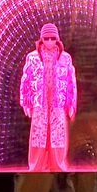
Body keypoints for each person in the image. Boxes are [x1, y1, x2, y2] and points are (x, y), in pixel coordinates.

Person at [19, 22, 77, 172]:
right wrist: (26, 102)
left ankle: (58, 164)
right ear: (41, 39)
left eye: (52, 38)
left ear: (57, 39)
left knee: (58, 133)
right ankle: (36, 165)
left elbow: (71, 81)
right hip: (40, 100)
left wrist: (71, 103)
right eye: (46, 38)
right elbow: (26, 79)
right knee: (38, 132)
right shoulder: (32, 57)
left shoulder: (65, 58)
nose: (49, 41)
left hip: (58, 101)